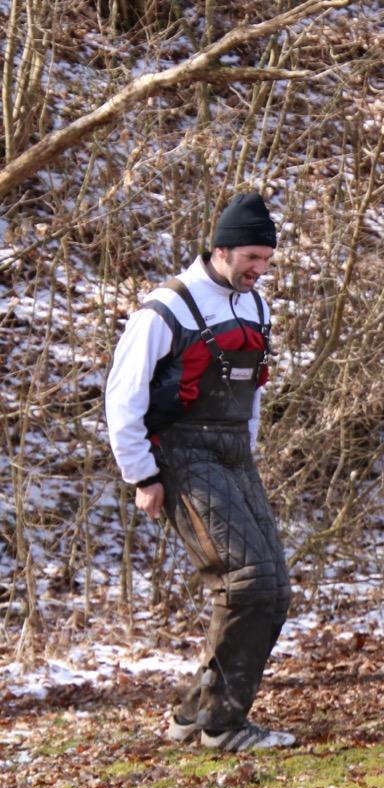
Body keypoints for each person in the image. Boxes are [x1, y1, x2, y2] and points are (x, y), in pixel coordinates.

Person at [106, 192, 295, 752]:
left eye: (266, 260)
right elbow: (123, 399)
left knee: (275, 589)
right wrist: (142, 476)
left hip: (234, 453)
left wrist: (249, 454)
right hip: (182, 456)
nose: (259, 271)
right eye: (251, 259)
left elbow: (250, 394)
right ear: (220, 249)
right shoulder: (164, 309)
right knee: (247, 581)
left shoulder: (254, 307)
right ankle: (221, 725)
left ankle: (199, 714)